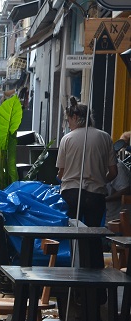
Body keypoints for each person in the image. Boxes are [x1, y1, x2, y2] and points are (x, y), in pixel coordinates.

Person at [56, 97, 117, 233]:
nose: (68, 124)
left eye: (68, 120)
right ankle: (93, 255)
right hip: (96, 195)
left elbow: (61, 173)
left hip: (71, 194)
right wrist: (100, 179)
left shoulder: (67, 139)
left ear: (75, 117)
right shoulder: (105, 137)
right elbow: (113, 172)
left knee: (72, 236)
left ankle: (75, 255)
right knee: (93, 236)